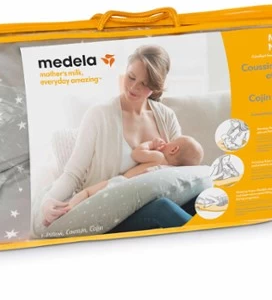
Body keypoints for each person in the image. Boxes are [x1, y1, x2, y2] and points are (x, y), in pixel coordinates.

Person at [35, 44, 199, 232]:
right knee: (163, 208)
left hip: (154, 198)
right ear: (126, 70)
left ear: (155, 86)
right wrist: (48, 200)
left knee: (199, 201)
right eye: (131, 77)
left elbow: (180, 169)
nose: (134, 87)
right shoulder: (99, 115)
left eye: (145, 83)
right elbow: (73, 173)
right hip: (110, 209)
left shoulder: (166, 116)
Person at [66, 135, 204, 210]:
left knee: (87, 192)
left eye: (171, 141)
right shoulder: (171, 173)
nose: (167, 141)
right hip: (130, 195)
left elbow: (136, 154)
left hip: (121, 182)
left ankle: (69, 207)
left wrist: (151, 144)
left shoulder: (159, 157)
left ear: (173, 150)